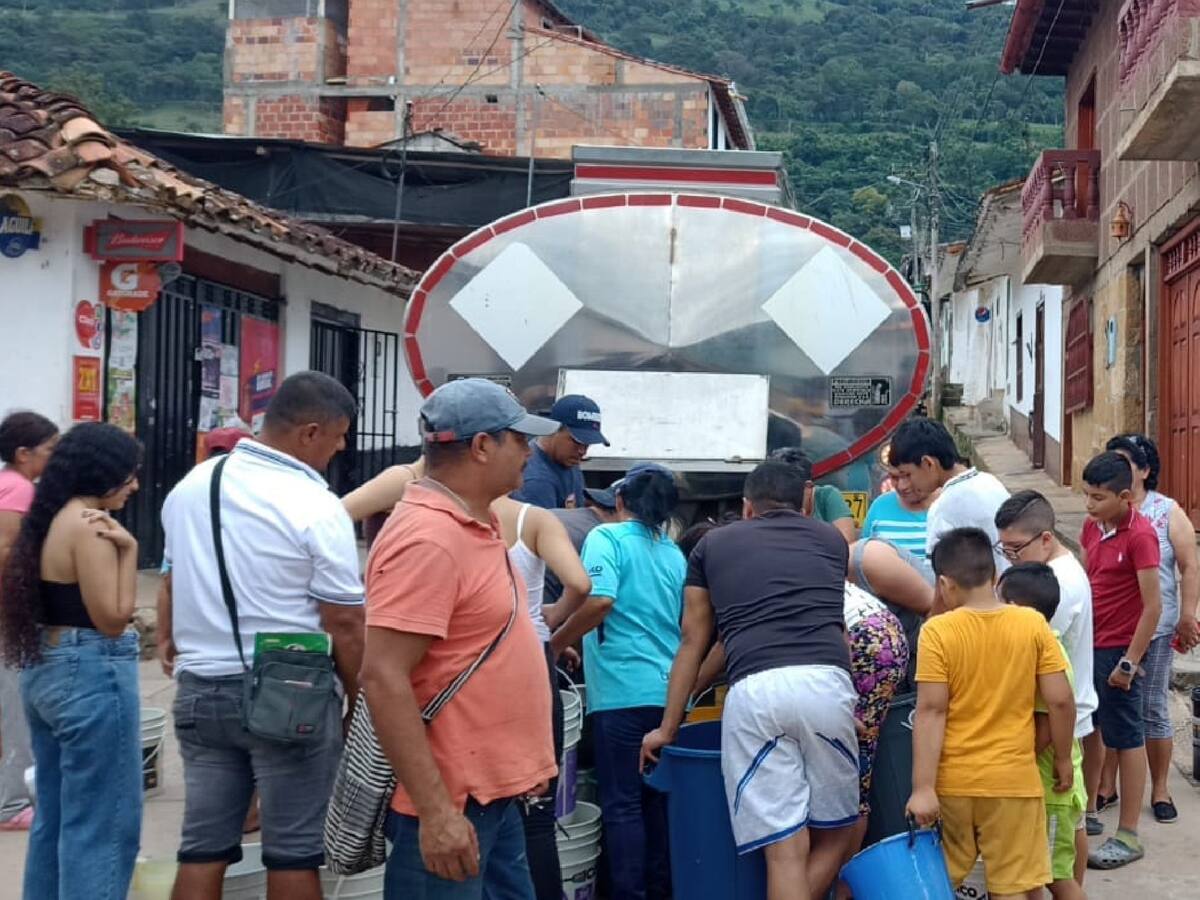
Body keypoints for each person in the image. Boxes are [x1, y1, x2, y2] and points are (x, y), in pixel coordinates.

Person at [161, 372, 367, 900]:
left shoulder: (191, 488)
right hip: (290, 692)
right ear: (310, 432)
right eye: (339, 436)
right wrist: (359, 697)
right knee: (293, 850)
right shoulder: (315, 504)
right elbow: (343, 619)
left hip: (201, 689)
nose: (342, 447)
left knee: (202, 847)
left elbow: (172, 577)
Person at [360, 378, 559, 899]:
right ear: (481, 446)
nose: (530, 452)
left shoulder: (478, 522)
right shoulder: (429, 539)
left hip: (492, 794)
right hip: (451, 803)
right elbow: (383, 677)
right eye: (520, 439)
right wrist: (437, 814)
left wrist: (521, 762)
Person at [641, 461, 860, 900]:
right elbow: (834, 626)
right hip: (826, 683)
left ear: (745, 507)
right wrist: (847, 707)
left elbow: (692, 640)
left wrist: (668, 727)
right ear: (807, 500)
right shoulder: (832, 541)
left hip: (753, 692)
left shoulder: (712, 547)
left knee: (784, 849)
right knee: (839, 832)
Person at [0, 422, 142, 900]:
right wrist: (131, 551)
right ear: (101, 474)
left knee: (56, 820)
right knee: (104, 822)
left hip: (46, 670)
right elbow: (113, 619)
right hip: (90, 673)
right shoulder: (91, 527)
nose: (135, 485)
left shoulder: (49, 516)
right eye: (129, 475)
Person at [906, 528, 1075, 900]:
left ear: (945, 584)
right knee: (1012, 887)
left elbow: (931, 711)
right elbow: (1061, 700)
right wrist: (1062, 758)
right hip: (1014, 782)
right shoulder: (1031, 624)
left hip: (954, 784)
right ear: (996, 577)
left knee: (939, 883)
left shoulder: (936, 632)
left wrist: (923, 788)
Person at [551, 463, 686, 900]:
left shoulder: (604, 538)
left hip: (621, 695)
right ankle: (660, 891)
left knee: (622, 804)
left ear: (621, 502)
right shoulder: (672, 553)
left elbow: (601, 599)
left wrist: (556, 642)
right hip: (667, 695)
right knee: (656, 803)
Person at [994, 490, 1100, 862]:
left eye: (1014, 549)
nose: (1008, 558)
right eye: (1003, 549)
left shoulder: (1055, 588)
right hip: (1065, 713)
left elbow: (1047, 690)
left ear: (1045, 539)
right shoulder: (1051, 573)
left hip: (1059, 725)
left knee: (1061, 842)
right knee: (1071, 828)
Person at [1099, 434, 1199, 824]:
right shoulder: (1105, 509)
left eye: (1126, 462)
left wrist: (1188, 615)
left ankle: (1159, 788)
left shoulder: (1166, 511)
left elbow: (1189, 566)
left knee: (1152, 706)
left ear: (1144, 470)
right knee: (1109, 707)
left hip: (1154, 627)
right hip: (1109, 627)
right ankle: (1107, 784)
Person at [1078, 451, 1162, 870]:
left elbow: (1153, 606)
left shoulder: (1141, 536)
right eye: (1086, 495)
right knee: (1088, 729)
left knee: (1127, 737)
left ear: (1125, 496)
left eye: (1097, 498)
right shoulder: (1093, 529)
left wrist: (1130, 661)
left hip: (1118, 651)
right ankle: (1090, 809)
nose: (1088, 506)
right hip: (1087, 644)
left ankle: (1128, 834)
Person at [997, 563, 1087, 900]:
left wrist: (1014, 763)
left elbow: (1052, 717)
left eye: (998, 602)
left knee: (1057, 877)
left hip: (1050, 788)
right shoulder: (1042, 642)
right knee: (1034, 875)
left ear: (1015, 609)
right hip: (1043, 786)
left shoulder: (1043, 650)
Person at [0, 410, 59, 833]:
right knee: (15, 711)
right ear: (24, 454)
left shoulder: (6, 482)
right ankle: (11, 803)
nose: (54, 458)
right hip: (6, 617)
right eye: (49, 450)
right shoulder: (19, 489)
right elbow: (7, 552)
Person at [888, 418, 1010, 572]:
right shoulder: (989, 481)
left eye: (907, 474)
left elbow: (938, 579)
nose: (904, 485)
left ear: (928, 464)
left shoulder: (944, 507)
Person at [512, 394, 608, 509]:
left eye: (587, 444)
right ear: (554, 429)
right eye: (577, 441)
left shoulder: (567, 458)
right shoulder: (536, 481)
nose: (583, 451)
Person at [860, 443, 936, 563]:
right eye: (894, 478)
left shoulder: (950, 507)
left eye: (908, 476)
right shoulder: (880, 506)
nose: (902, 486)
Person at [769, 447, 857, 542]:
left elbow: (846, 543)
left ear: (808, 487)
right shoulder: (765, 499)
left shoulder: (827, 496)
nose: (781, 496)